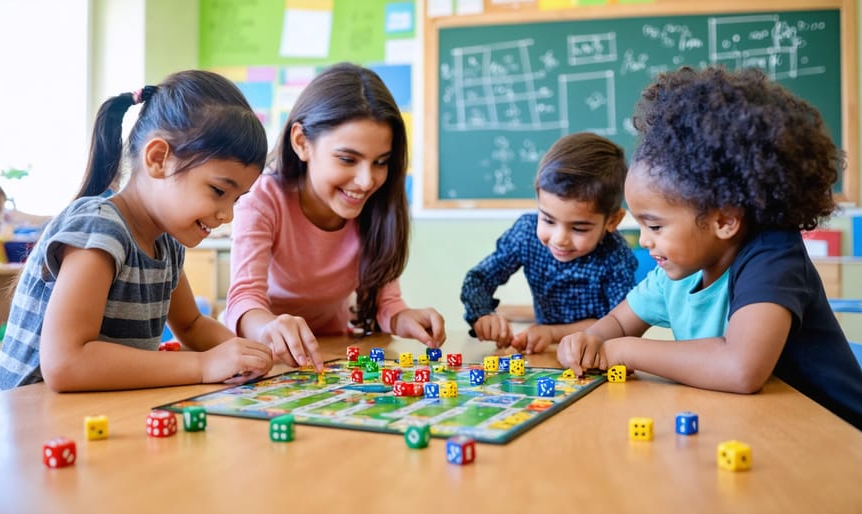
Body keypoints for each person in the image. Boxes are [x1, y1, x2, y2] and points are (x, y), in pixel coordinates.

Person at [557, 66, 862, 429]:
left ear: (723, 220)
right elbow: (620, 322)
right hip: (761, 431)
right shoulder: (677, 270)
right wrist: (588, 341)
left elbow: (741, 368)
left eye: (654, 225)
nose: (645, 239)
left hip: (836, 438)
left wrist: (620, 351)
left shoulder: (773, 255)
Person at [0, 70, 274, 392]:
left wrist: (254, 354)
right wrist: (203, 364)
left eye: (237, 199)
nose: (227, 215)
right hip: (32, 419)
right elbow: (66, 364)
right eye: (219, 191)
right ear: (158, 159)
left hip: (96, 414)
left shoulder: (167, 243)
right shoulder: (100, 229)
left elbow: (192, 325)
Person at [226, 62, 446, 371]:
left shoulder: (378, 206)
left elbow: (387, 303)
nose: (366, 180)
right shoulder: (263, 199)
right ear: (302, 142)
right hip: (265, 354)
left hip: (332, 351)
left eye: (381, 162)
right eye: (347, 159)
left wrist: (403, 318)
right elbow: (244, 300)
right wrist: (267, 328)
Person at [460, 132, 636, 354]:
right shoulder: (526, 234)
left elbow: (620, 324)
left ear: (612, 221)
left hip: (596, 357)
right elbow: (478, 279)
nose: (559, 239)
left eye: (579, 228)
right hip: (546, 356)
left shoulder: (616, 256)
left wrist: (552, 333)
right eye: (548, 220)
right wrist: (483, 314)